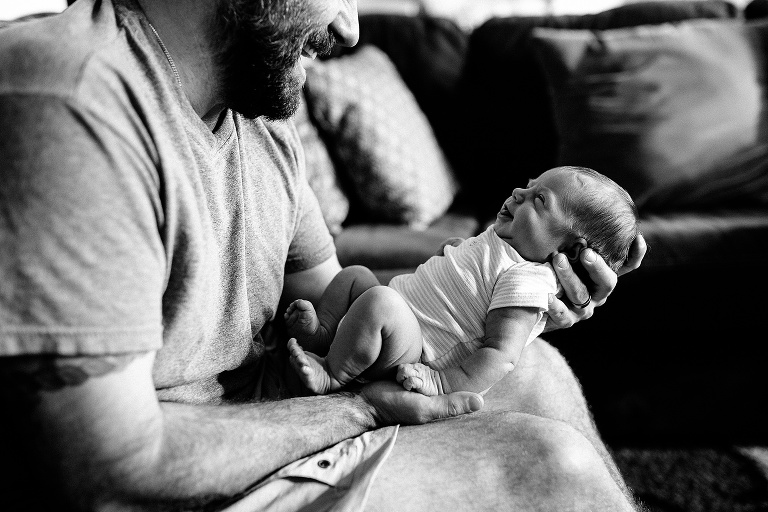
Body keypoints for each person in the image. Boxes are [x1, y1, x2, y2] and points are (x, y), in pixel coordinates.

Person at [0, 0, 648, 510]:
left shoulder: (259, 121)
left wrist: (502, 304)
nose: (350, 25)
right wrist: (360, 411)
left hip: (257, 430)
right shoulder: (71, 100)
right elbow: (108, 472)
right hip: (172, 486)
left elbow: (338, 303)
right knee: (545, 468)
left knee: (535, 367)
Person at [285, 166, 639, 397]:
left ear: (572, 251)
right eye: (530, 185)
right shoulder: (503, 243)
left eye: (540, 199)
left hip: (416, 350)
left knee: (378, 301)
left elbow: (501, 354)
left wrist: (442, 383)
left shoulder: (528, 281)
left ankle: (332, 374)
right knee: (354, 276)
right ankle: (326, 334)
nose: (518, 192)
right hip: (398, 315)